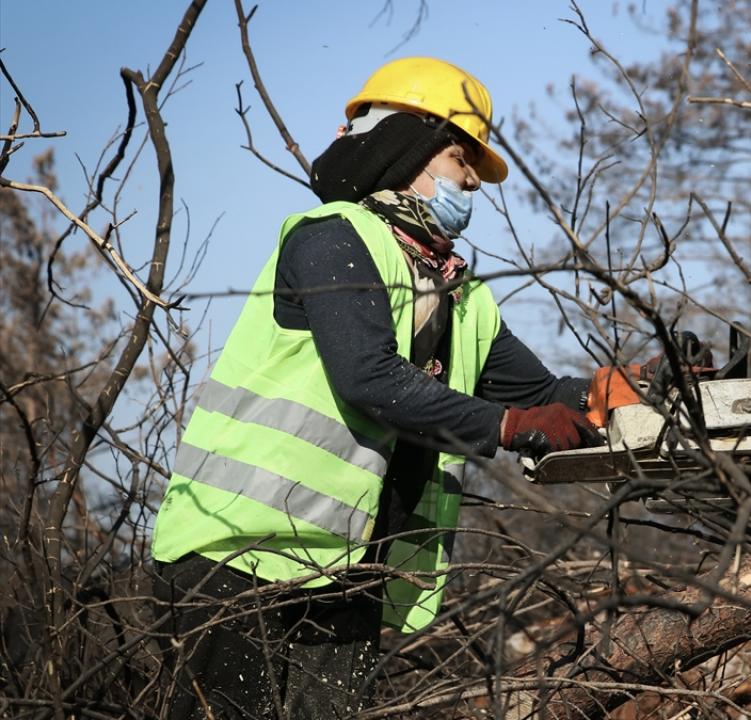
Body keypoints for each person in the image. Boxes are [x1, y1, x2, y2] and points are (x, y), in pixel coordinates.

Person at [149, 57, 602, 719]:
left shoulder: (460, 298)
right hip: (234, 558)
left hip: (346, 575)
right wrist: (507, 428)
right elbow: (369, 378)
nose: (473, 179)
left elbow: (540, 394)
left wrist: (621, 392)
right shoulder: (333, 239)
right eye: (460, 156)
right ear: (404, 146)